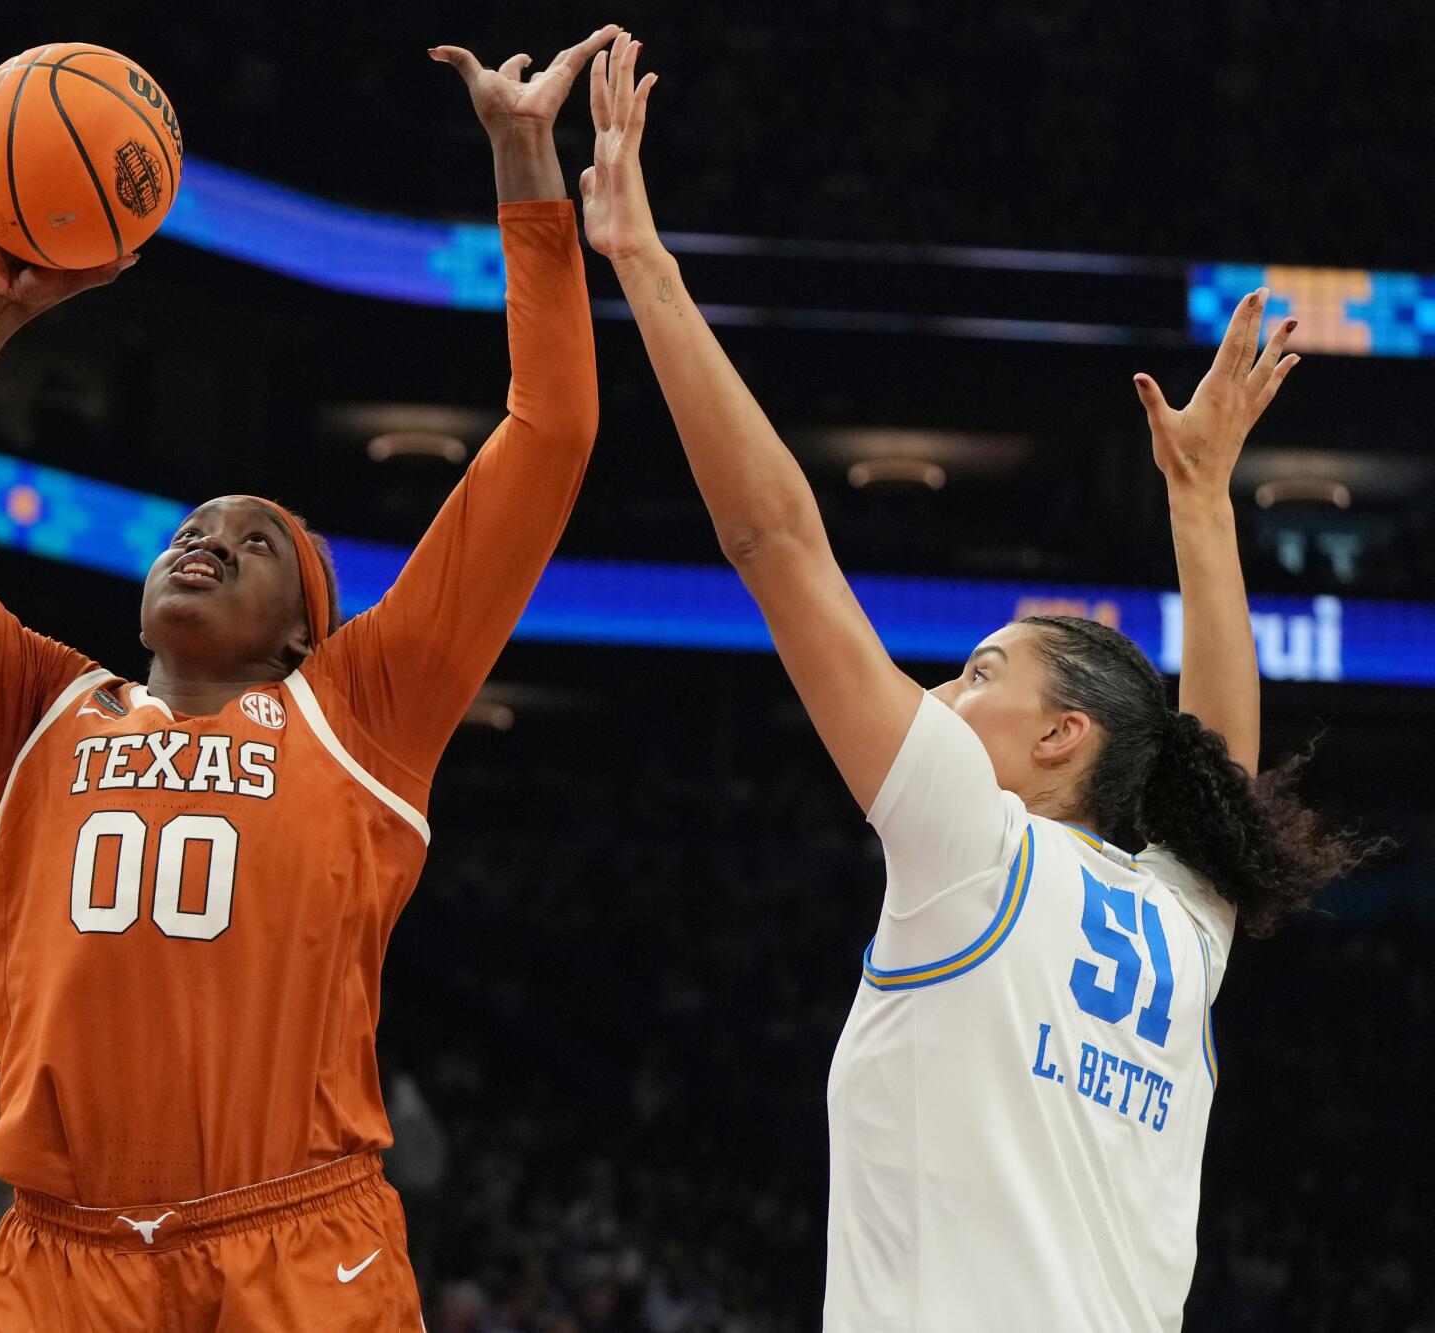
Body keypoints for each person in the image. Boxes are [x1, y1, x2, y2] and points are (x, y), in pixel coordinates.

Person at [0, 24, 613, 1329]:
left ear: (303, 631)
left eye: (256, 541)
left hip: (297, 1248)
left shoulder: (361, 715)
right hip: (65, 1263)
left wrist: (525, 169)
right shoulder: (35, 711)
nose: (206, 538)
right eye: (195, 525)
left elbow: (552, 430)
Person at [578, 40, 1370, 1331]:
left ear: (1063, 734)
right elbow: (1220, 753)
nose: (941, 692)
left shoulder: (973, 840)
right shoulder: (1177, 922)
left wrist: (645, 266)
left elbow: (777, 541)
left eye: (978, 669)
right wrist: (1201, 502)